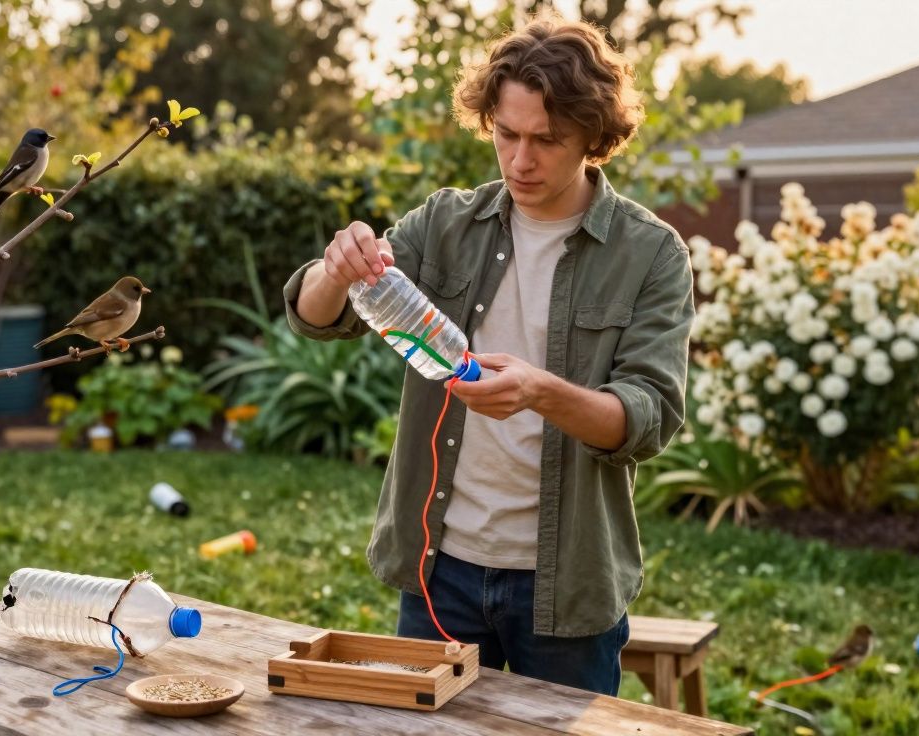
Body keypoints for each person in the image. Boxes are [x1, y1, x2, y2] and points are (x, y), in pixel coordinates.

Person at [282, 13, 695, 696]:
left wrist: (541, 392)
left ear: (594, 137)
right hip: (440, 569)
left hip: (567, 584)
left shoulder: (650, 254)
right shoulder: (445, 222)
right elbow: (318, 319)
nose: (520, 160)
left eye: (547, 140)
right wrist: (337, 268)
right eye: (506, 134)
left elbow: (646, 420)